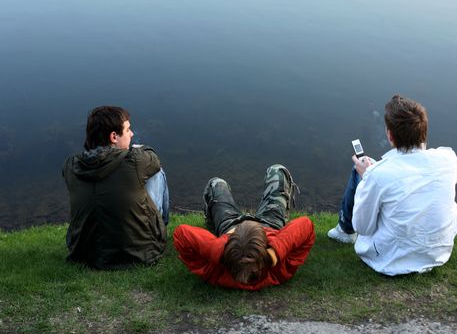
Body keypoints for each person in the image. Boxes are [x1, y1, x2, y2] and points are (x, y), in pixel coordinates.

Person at [327, 95, 457, 276]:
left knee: (361, 169)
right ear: (424, 131)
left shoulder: (379, 174)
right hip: (437, 253)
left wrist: (367, 178)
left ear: (390, 135)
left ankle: (344, 231)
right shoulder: (448, 159)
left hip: (390, 260)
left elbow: (363, 227)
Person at [173, 164, 315, 290]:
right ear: (265, 248)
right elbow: (305, 224)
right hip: (269, 225)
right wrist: (275, 252)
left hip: (230, 226)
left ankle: (213, 222)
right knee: (277, 169)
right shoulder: (280, 270)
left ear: (227, 252)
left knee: (216, 183)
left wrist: (219, 250)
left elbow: (181, 233)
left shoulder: (215, 271)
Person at [63, 106, 170, 269]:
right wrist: (138, 149)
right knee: (156, 172)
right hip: (139, 255)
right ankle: (157, 232)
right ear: (114, 136)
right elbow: (153, 158)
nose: (132, 134)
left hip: (84, 255)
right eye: (128, 130)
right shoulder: (134, 161)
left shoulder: (71, 165)